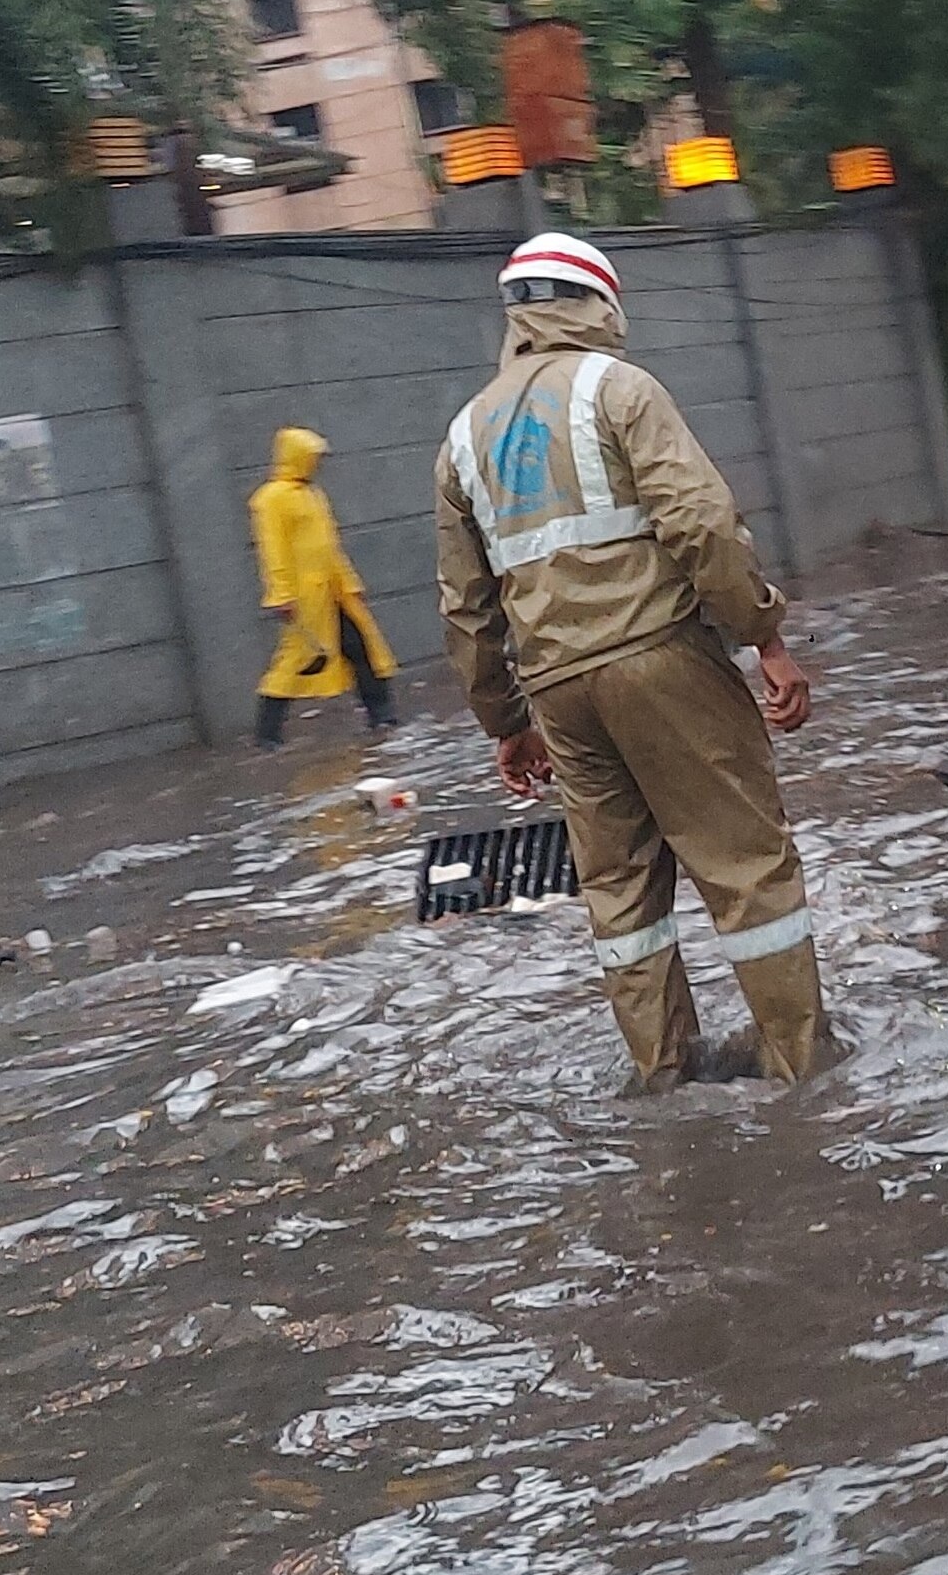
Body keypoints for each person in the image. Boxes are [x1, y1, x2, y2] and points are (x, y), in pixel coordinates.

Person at [434, 233, 827, 1093]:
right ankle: (803, 1076)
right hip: (662, 661)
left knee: (617, 896)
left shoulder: (462, 438)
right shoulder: (620, 390)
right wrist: (763, 635)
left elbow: (465, 608)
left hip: (558, 698)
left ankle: (663, 1079)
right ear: (601, 306)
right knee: (745, 868)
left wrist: (505, 724)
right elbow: (701, 526)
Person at [250, 426, 400, 744]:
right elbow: (272, 549)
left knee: (361, 648)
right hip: (306, 599)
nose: (316, 463)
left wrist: (348, 581)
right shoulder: (271, 499)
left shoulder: (312, 494)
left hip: (333, 593)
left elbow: (329, 545)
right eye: (312, 456)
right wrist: (282, 594)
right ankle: (267, 733)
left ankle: (382, 715)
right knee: (294, 660)